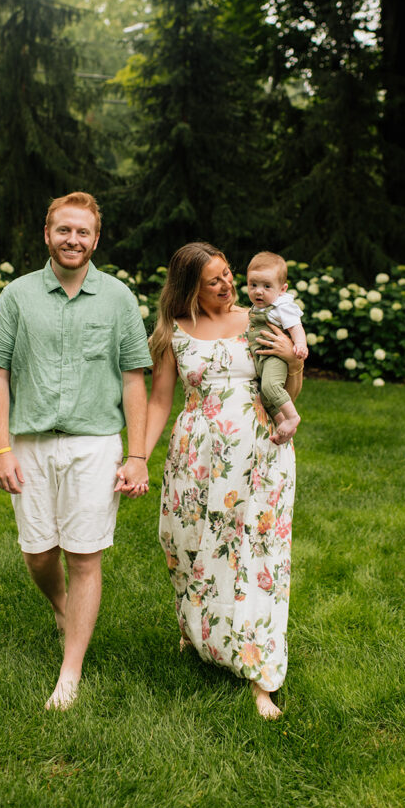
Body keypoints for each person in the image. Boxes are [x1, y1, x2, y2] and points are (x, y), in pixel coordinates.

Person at [0, 191, 152, 711]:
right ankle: (64, 606)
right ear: (46, 235)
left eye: (82, 232)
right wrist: (0, 448)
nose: (72, 240)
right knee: (37, 552)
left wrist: (137, 454)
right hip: (28, 444)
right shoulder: (17, 295)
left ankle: (69, 673)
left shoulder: (118, 298)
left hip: (95, 444)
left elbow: (134, 378)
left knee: (84, 555)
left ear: (96, 239)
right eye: (63, 230)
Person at [144, 242, 303, 719]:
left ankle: (261, 674)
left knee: (257, 554)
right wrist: (137, 458)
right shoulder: (173, 332)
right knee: (186, 545)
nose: (230, 284)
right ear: (191, 287)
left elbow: (287, 391)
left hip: (259, 456)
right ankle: (199, 633)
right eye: (215, 280)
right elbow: (159, 401)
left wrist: (294, 363)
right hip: (194, 458)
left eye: (229, 274)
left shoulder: (260, 320)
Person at [246, 251, 308, 445]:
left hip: (275, 357)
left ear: (282, 289)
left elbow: (295, 326)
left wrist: (299, 344)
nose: (258, 291)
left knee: (270, 387)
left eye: (266, 286)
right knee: (266, 398)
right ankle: (283, 427)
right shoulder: (257, 308)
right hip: (262, 358)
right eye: (253, 285)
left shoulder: (281, 306)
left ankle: (292, 417)